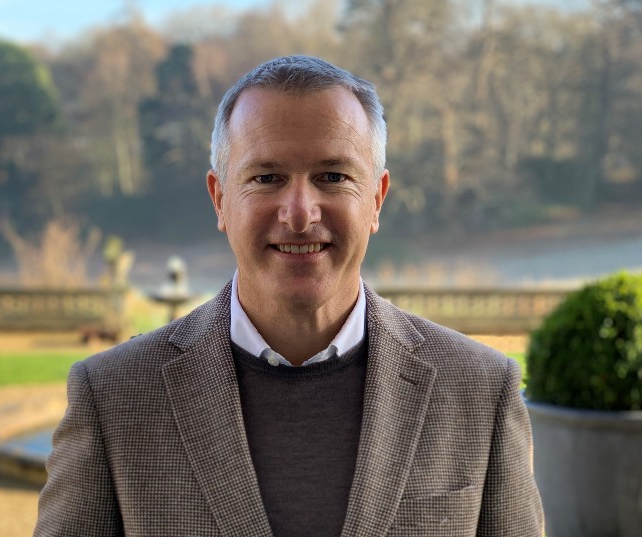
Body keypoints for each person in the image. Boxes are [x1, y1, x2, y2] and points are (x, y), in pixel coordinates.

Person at [34, 55, 544, 537]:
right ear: (219, 198)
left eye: (332, 176)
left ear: (376, 199)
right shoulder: (115, 395)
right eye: (267, 177)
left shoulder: (480, 390)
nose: (300, 213)